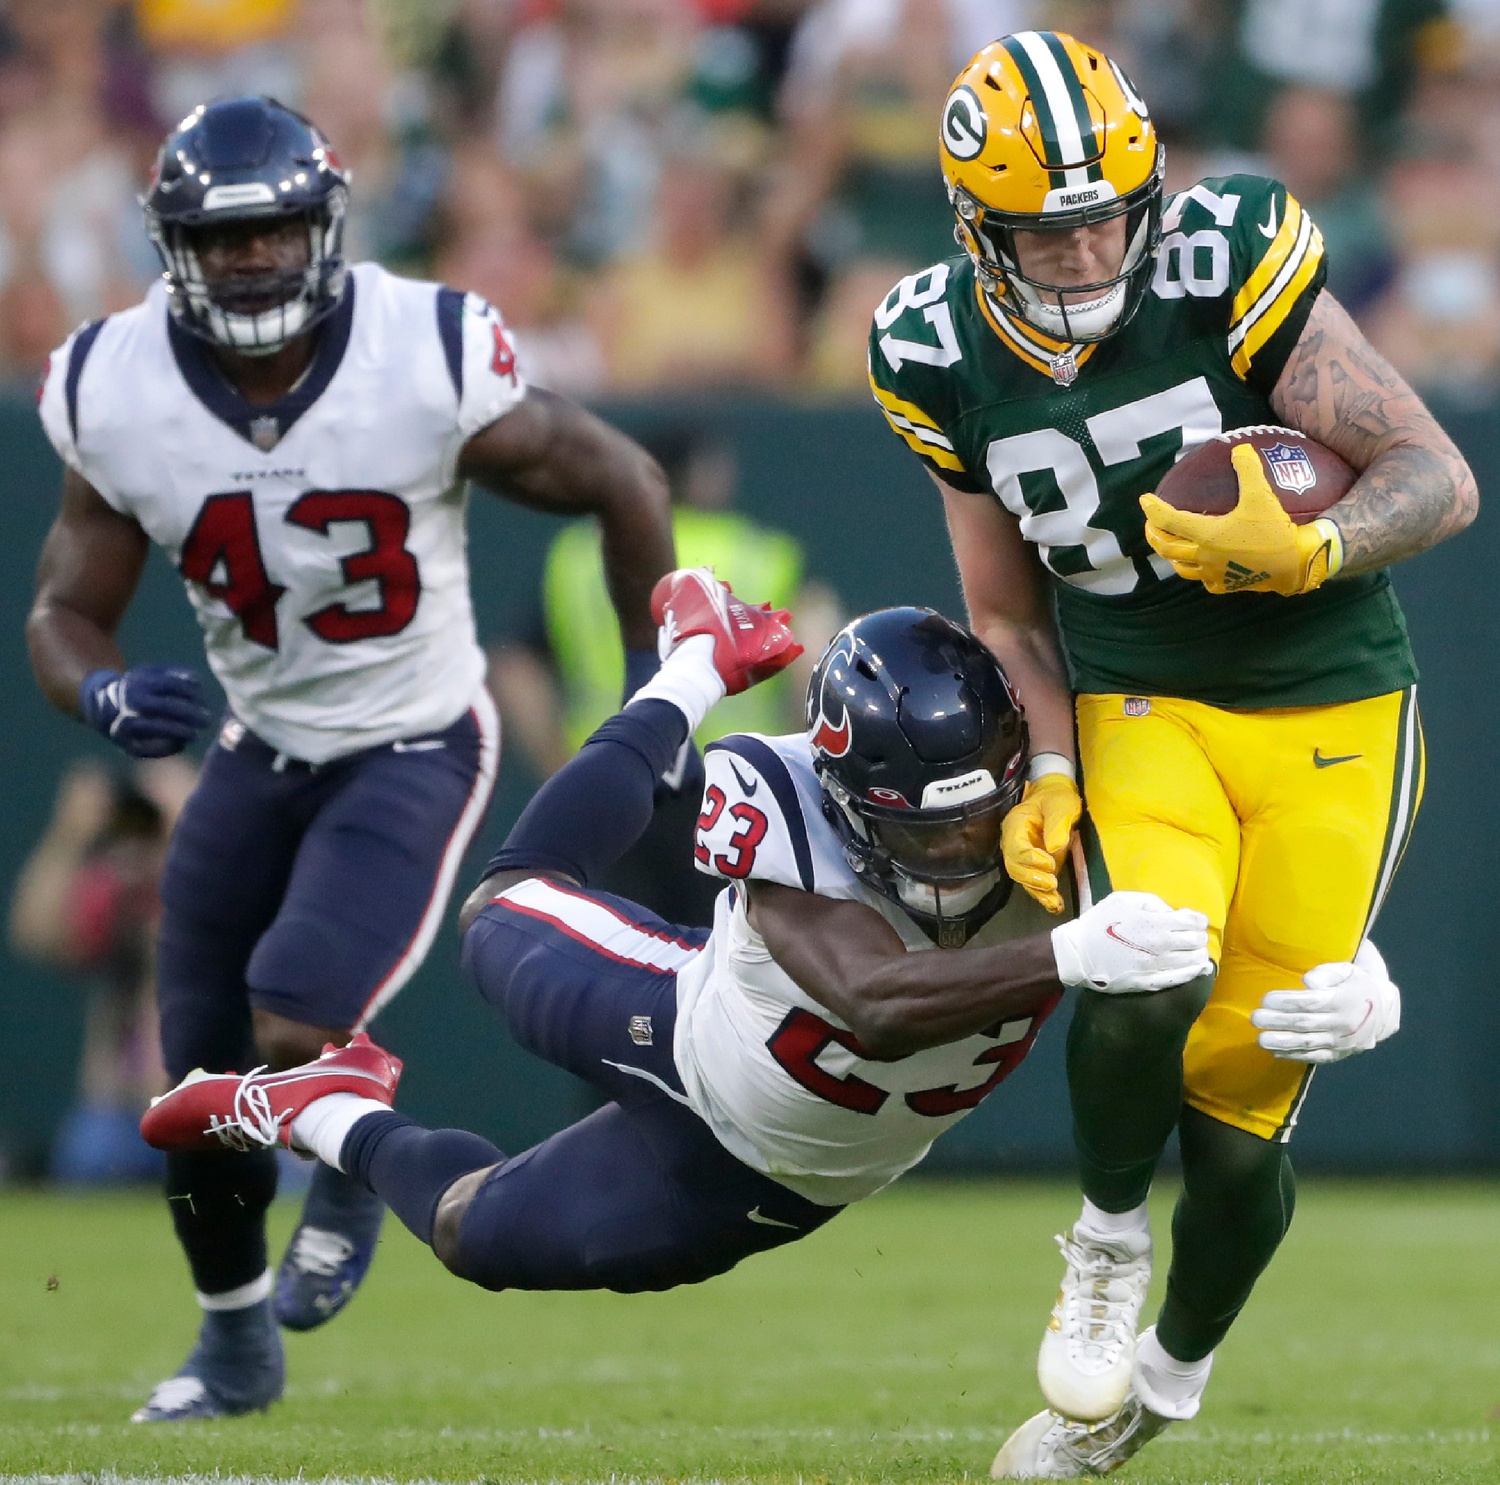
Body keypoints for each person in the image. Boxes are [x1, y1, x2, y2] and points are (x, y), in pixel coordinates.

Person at [865, 31, 1473, 1476]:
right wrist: (1058, 768)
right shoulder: (934, 347)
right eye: (1045, 228)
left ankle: (1169, 1381)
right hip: (1138, 698)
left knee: (1248, 1100)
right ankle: (1102, 1240)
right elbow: (1007, 611)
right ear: (975, 228)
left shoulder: (1225, 258)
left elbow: (1437, 477)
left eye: (1101, 217)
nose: (1082, 255)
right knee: (1140, 960)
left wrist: (1316, 544)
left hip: (1334, 703)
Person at [25, 95, 675, 1422]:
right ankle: (231, 1338)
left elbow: (624, 481)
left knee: (293, 1009)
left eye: (276, 232)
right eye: (226, 239)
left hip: (416, 733)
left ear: (324, 229)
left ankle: (351, 1167)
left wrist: (652, 682)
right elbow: (59, 608)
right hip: (261, 745)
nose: (255, 259)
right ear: (174, 248)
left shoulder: (419, 353)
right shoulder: (114, 386)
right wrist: (96, 687)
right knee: (199, 1082)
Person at [140, 572, 1228, 1321]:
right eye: (918, 822)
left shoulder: (1071, 809)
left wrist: (1335, 969)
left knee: (474, 1238)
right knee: (497, 915)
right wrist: (1071, 955)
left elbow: (1222, 895)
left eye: (971, 811)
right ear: (846, 792)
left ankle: (320, 1107)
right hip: (680, 1018)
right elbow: (876, 998)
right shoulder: (780, 788)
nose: (954, 845)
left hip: (786, 1172)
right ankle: (694, 670)